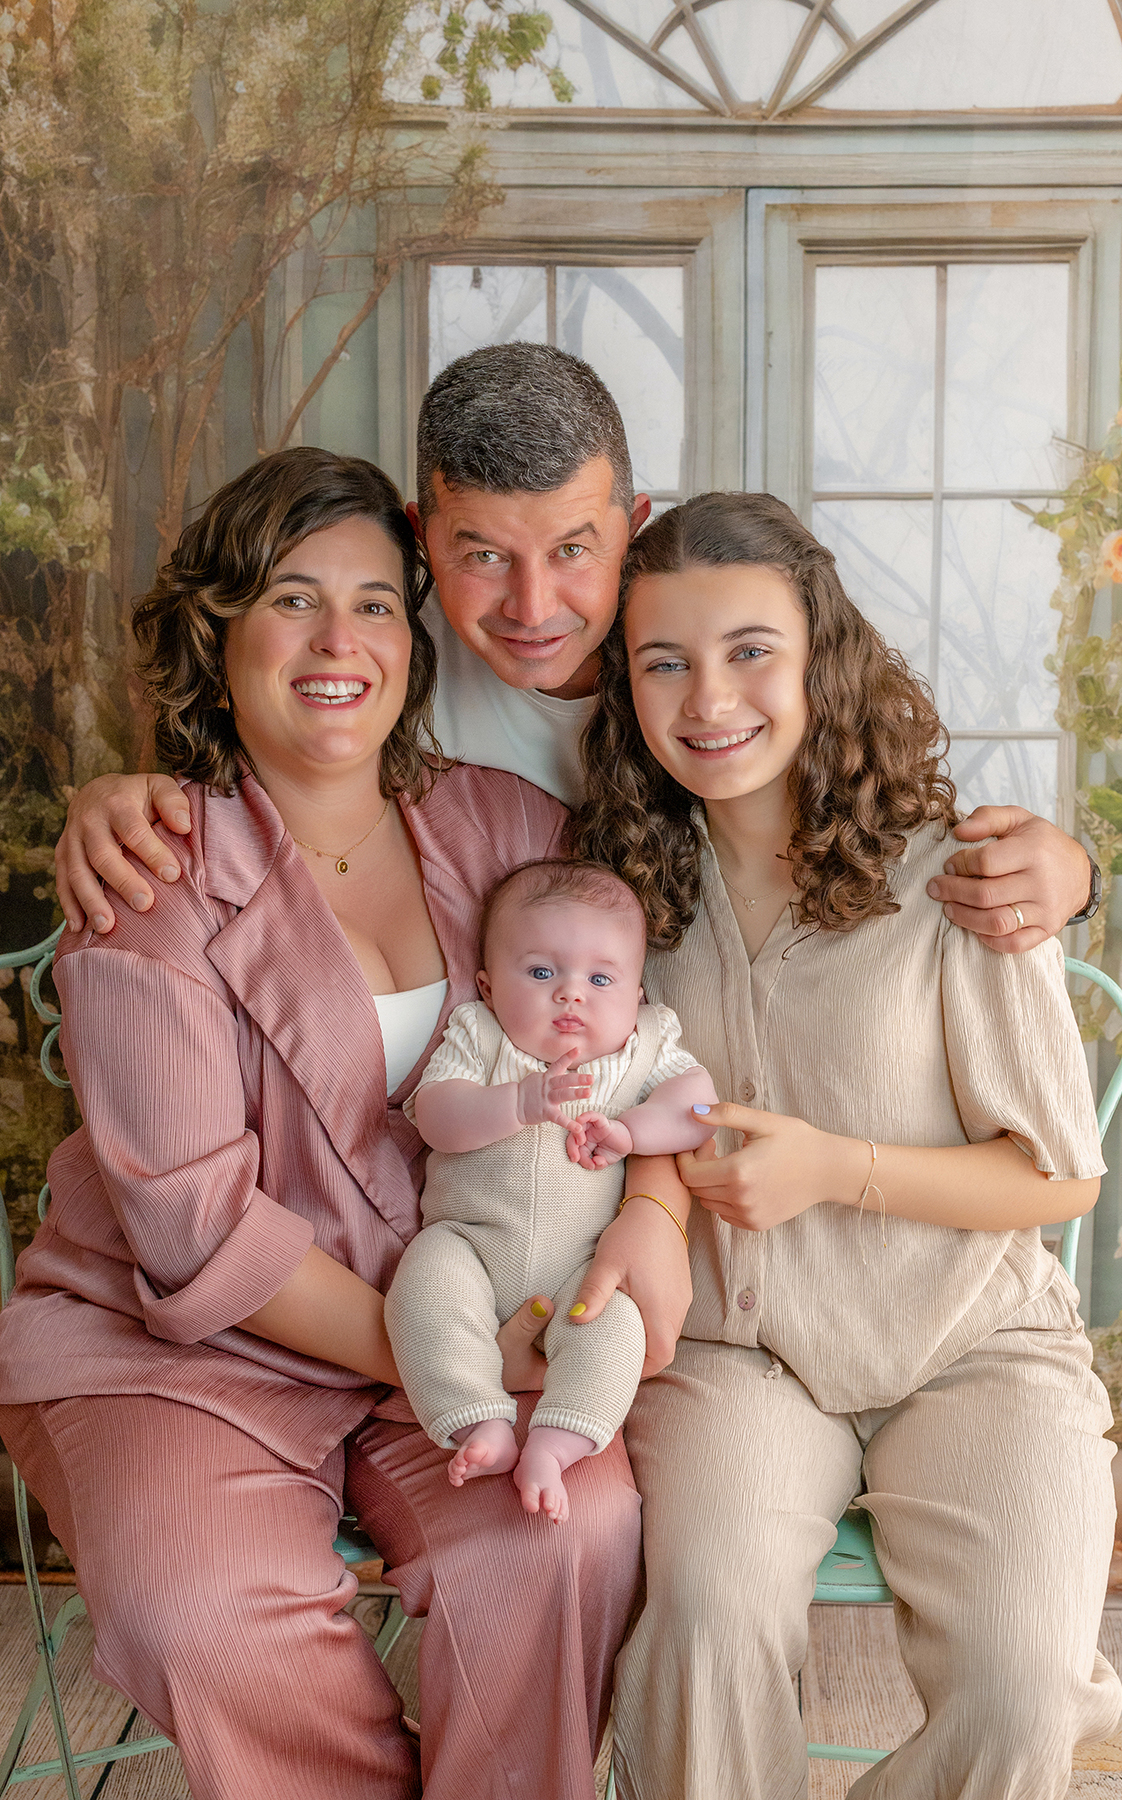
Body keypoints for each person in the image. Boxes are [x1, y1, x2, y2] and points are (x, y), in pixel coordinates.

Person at [0, 447, 665, 1800]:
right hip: (179, 1345)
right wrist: (456, 1353)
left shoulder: (507, 830)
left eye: (373, 604)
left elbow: (670, 1030)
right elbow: (195, 1233)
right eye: (293, 600)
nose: (337, 640)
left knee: (566, 1535)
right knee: (200, 1610)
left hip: (466, 1321)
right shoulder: (153, 877)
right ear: (220, 632)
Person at [567, 492, 1121, 1800]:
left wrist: (835, 1168)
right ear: (626, 688)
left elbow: (1063, 1175)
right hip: (739, 1358)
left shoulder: (959, 873)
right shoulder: (614, 900)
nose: (709, 697)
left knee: (1025, 1689)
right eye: (665, 661)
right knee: (699, 1631)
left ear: (821, 659)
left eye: (751, 650)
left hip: (974, 1345)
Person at [52, 346, 1098, 956]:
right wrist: (123, 790)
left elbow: (862, 787)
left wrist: (1073, 873)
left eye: (573, 549)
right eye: (481, 556)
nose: (532, 606)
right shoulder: (368, 663)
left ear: (633, 520)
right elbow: (245, 785)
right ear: (422, 536)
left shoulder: (714, 647)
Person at [386, 857, 717, 1520]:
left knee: (614, 1325)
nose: (571, 995)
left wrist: (632, 1130)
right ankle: (475, 1418)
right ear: (487, 983)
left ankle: (557, 1444)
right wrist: (516, 1103)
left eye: (600, 978)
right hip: (471, 1247)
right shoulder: (479, 1035)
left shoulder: (644, 1047)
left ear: (638, 997)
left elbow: (699, 1105)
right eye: (541, 973)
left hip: (581, 1268)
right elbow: (437, 1116)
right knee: (421, 1290)